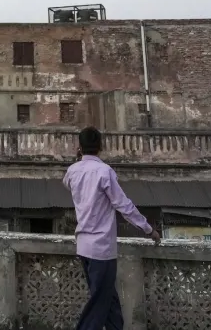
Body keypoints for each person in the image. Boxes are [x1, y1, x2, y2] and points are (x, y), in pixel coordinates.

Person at [63, 126, 160, 330]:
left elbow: (67, 183)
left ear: (79, 147)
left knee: (107, 298)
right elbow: (124, 205)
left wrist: (78, 159)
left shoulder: (72, 171)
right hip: (101, 248)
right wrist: (148, 229)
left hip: (84, 246)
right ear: (101, 146)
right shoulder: (104, 172)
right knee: (99, 302)